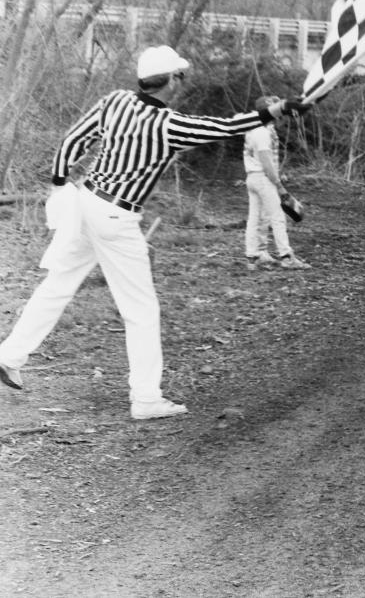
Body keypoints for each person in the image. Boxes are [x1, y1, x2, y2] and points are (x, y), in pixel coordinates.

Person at [0, 45, 311, 420]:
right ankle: (146, 398)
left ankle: (9, 356)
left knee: (57, 285)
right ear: (172, 80)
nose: (183, 80)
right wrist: (276, 110)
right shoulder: (169, 125)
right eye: (180, 75)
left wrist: (59, 185)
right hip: (116, 218)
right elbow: (227, 126)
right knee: (142, 310)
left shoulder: (114, 101)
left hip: (86, 205)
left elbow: (71, 143)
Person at [243, 95, 310, 270]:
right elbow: (266, 162)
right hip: (263, 178)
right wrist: (278, 184)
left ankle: (254, 256)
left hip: (252, 177)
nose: (278, 114)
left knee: (255, 218)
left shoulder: (253, 128)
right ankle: (286, 256)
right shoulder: (262, 132)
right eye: (274, 109)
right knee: (278, 216)